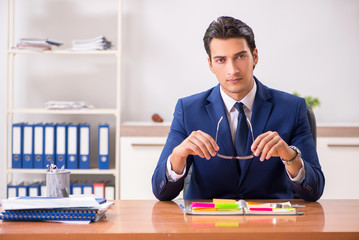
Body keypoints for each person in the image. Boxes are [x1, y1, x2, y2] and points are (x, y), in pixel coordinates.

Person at [152, 16, 325, 201]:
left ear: (255, 57)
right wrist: (178, 155)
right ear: (210, 64)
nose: (232, 70)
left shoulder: (292, 108)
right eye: (221, 60)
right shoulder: (188, 110)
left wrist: (289, 156)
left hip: (271, 222)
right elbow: (161, 192)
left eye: (240, 57)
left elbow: (314, 191)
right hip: (207, 224)